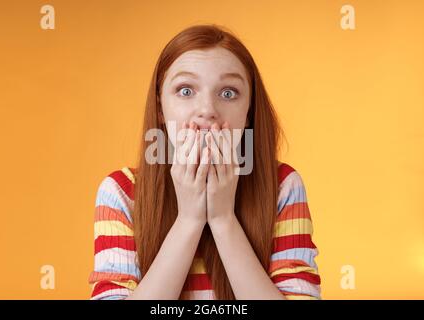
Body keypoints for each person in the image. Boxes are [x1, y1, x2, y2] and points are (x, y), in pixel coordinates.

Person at [88, 24, 321, 300]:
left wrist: (223, 219)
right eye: (186, 91)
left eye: (228, 93)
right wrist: (189, 219)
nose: (208, 111)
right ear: (160, 107)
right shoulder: (120, 192)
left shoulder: (283, 187)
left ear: (248, 113)